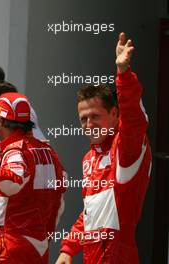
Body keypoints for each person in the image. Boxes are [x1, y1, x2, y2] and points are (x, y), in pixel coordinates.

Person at [55, 32, 152, 264]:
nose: (89, 124)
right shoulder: (89, 158)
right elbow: (91, 212)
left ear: (114, 114)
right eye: (83, 119)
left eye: (95, 116)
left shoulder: (126, 149)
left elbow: (135, 120)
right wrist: (68, 248)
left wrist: (124, 75)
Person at [0, 92, 66, 263]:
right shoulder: (50, 153)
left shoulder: (15, 150)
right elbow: (58, 203)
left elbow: (13, 179)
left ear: (2, 121)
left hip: (12, 247)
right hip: (40, 247)